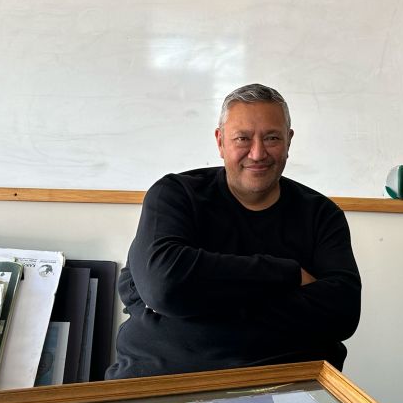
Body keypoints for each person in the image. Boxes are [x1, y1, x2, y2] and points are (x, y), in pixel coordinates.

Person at [107, 84, 361, 379]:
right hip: (161, 388)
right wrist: (287, 275)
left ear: (289, 141)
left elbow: (342, 313)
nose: (257, 153)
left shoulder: (321, 215)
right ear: (220, 141)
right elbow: (164, 286)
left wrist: (195, 305)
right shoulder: (174, 196)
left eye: (272, 138)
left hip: (284, 392)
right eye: (243, 138)